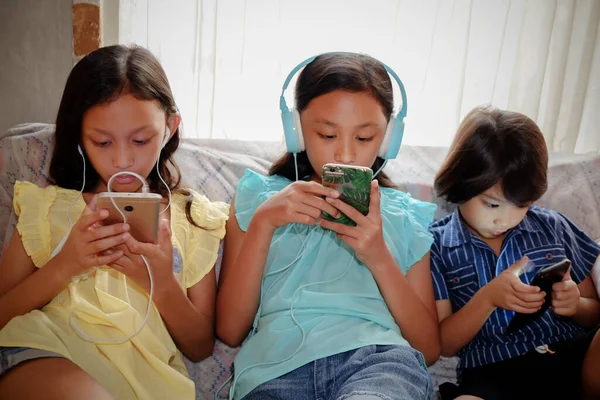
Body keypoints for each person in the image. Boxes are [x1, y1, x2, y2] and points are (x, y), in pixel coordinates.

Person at [0, 45, 228, 399]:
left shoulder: (191, 218)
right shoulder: (47, 208)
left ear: (169, 129)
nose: (123, 158)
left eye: (140, 140)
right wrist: (64, 266)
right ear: (78, 136)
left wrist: (162, 284)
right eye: (102, 141)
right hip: (47, 352)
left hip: (148, 380)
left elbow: (199, 345)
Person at [216, 52, 440, 400]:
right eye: (327, 135)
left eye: (364, 138)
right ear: (297, 132)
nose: (346, 155)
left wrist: (378, 255)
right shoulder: (257, 201)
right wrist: (263, 224)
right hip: (275, 370)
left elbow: (428, 348)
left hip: (378, 364)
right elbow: (230, 331)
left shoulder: (405, 216)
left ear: (388, 139)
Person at [429, 106, 600, 400]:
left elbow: (594, 311)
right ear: (461, 183)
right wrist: (487, 299)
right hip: (495, 371)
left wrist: (575, 304)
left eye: (521, 205)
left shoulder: (553, 227)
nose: (505, 220)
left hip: (570, 355)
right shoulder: (437, 245)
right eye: (492, 204)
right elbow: (443, 343)